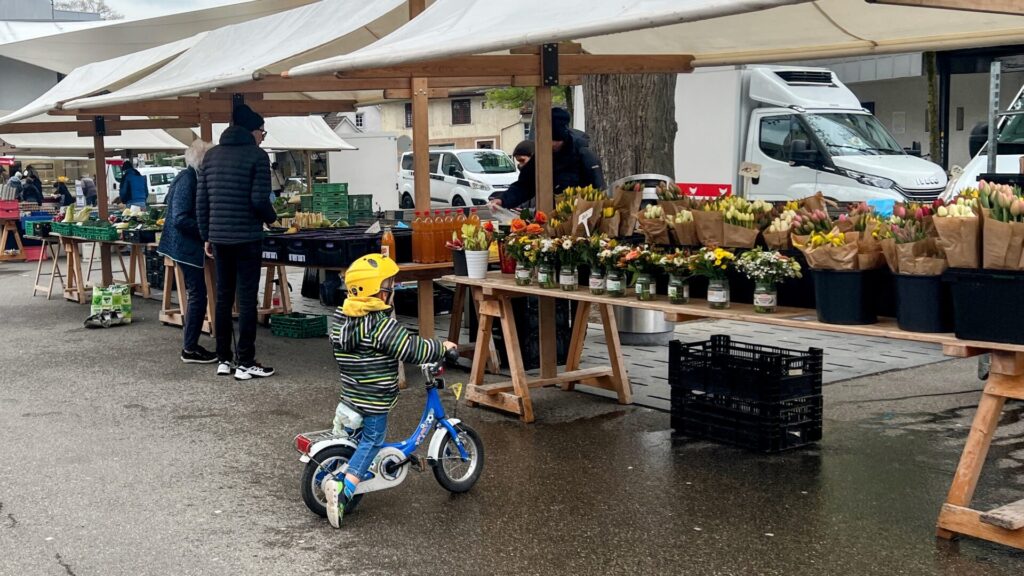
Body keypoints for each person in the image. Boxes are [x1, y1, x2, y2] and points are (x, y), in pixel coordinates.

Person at [323, 254, 457, 528]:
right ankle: (344, 488)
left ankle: (349, 470)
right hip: (374, 398)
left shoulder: (342, 319)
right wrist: (441, 347)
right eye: (389, 286)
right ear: (378, 292)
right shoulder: (381, 326)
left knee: (360, 439)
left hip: (352, 392)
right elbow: (411, 349)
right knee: (373, 439)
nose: (392, 291)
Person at [197, 104, 278, 381]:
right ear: (252, 130)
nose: (263, 137)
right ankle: (245, 361)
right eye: (262, 131)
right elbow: (259, 200)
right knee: (246, 300)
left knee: (222, 298)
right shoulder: (257, 157)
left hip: (219, 237)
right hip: (246, 237)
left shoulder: (211, 156)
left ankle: (223, 358)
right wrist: (274, 220)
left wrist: (206, 235)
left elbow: (202, 201)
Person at [158, 140, 217, 365]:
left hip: (184, 245)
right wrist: (206, 232)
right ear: (203, 160)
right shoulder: (188, 179)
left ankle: (190, 346)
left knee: (197, 294)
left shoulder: (190, 177)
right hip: (184, 246)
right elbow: (180, 218)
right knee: (197, 294)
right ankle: (189, 348)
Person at [489, 107, 605, 210]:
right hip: (548, 217)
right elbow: (525, 186)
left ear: (560, 139)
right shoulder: (541, 155)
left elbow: (597, 190)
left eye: (549, 140)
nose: (545, 144)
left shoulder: (583, 155)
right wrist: (503, 200)